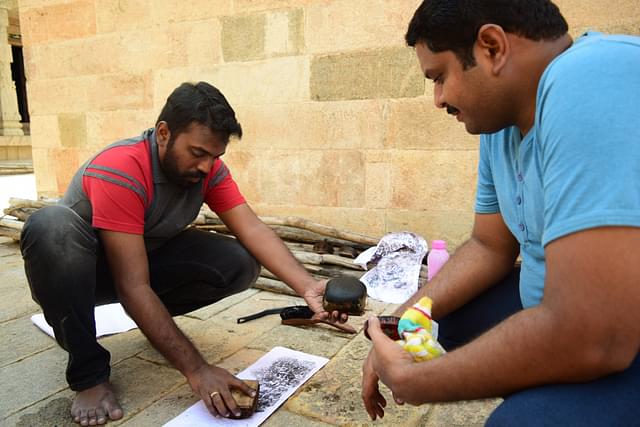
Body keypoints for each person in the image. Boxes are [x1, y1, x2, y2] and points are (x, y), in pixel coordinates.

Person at [362, 1, 640, 425]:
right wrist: (398, 320)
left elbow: (598, 335)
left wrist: (417, 381)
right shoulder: (502, 124)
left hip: (622, 335)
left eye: (439, 77)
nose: (439, 100)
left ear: (491, 47)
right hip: (558, 307)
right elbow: (489, 246)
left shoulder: (593, 76)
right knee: (438, 316)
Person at [20, 81, 346, 426]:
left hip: (139, 264)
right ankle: (89, 375)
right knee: (50, 226)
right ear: (163, 133)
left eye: (215, 156)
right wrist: (198, 370)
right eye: (198, 153)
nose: (207, 166)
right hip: (80, 276)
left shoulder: (209, 172)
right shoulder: (120, 168)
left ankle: (154, 324)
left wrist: (308, 287)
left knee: (239, 262)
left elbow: (253, 229)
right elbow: (133, 285)